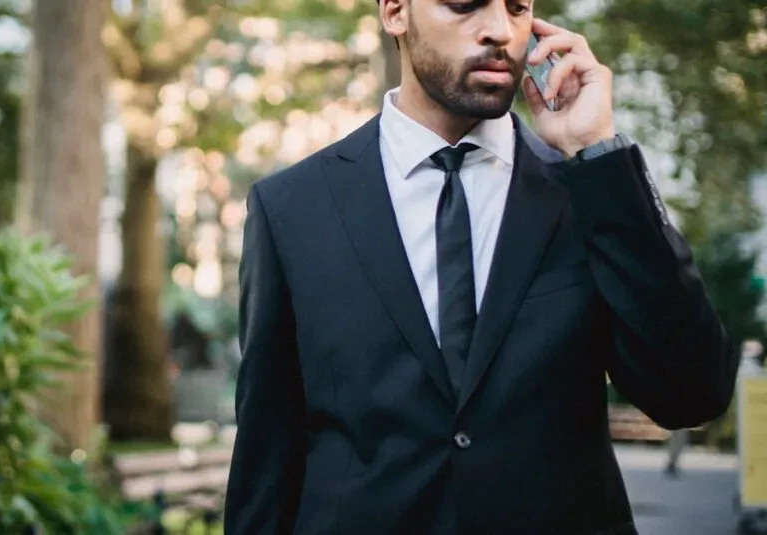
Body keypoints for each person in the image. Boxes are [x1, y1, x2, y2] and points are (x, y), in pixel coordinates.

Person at [223, 0, 739, 533]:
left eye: (517, 8)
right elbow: (266, 453)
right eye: (464, 5)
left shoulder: (589, 190)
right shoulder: (291, 207)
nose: (499, 31)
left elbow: (693, 395)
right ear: (396, 11)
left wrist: (596, 151)